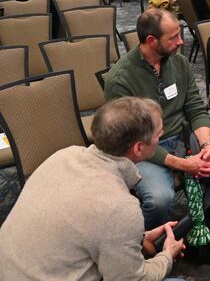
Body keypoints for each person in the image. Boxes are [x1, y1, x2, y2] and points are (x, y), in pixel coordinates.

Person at [0, 97, 185, 280]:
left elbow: (84, 225)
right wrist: (167, 256)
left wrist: (137, 238)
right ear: (139, 148)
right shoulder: (120, 206)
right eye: (159, 135)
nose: (162, 135)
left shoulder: (63, 155)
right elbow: (133, 279)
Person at [104, 9, 210, 230]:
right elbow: (132, 142)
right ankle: (152, 246)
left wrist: (206, 146)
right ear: (151, 41)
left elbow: (195, 108)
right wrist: (185, 165)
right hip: (145, 151)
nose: (180, 42)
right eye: (173, 37)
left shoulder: (179, 63)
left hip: (186, 137)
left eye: (180, 34)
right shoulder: (120, 80)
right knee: (160, 200)